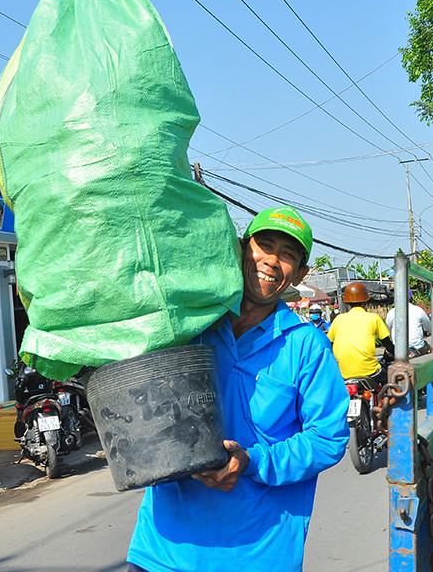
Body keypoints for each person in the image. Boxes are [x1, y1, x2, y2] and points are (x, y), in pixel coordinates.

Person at [126, 205, 349, 572]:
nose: (272, 261)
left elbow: (328, 438)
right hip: (162, 550)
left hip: (257, 554)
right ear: (243, 249)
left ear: (300, 273)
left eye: (288, 255)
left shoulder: (306, 345)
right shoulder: (191, 325)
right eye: (265, 245)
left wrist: (252, 461)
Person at [327, 282, 395, 387]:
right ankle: (383, 402)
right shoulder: (373, 318)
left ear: (347, 303)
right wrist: (396, 354)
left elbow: (329, 344)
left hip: (343, 373)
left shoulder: (338, 319)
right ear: (366, 301)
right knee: (391, 379)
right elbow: (387, 343)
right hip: (370, 372)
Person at [385, 288, 431, 358]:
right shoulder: (418, 310)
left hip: (398, 350)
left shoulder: (392, 312)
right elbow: (430, 329)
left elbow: (388, 332)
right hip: (418, 349)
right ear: (411, 298)